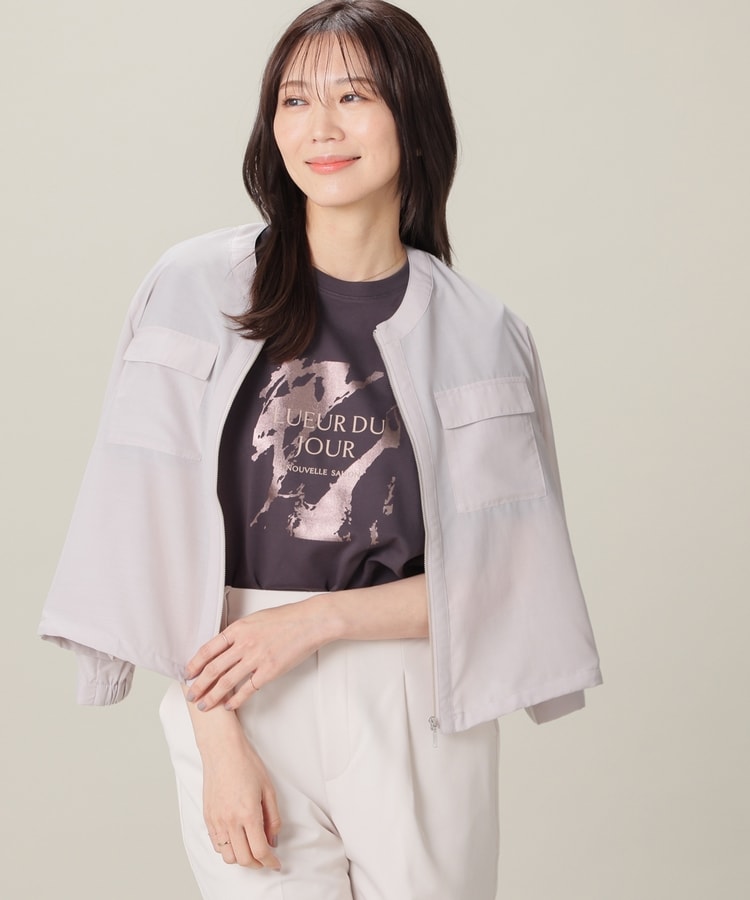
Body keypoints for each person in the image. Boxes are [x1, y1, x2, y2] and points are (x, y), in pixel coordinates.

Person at [39, 1, 602, 897]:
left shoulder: (483, 332)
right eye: (295, 100)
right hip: (232, 690)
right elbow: (141, 526)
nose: (321, 128)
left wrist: (316, 621)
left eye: (354, 96)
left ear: (412, 117)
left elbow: (507, 576)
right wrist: (216, 736)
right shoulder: (193, 289)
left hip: (415, 701)